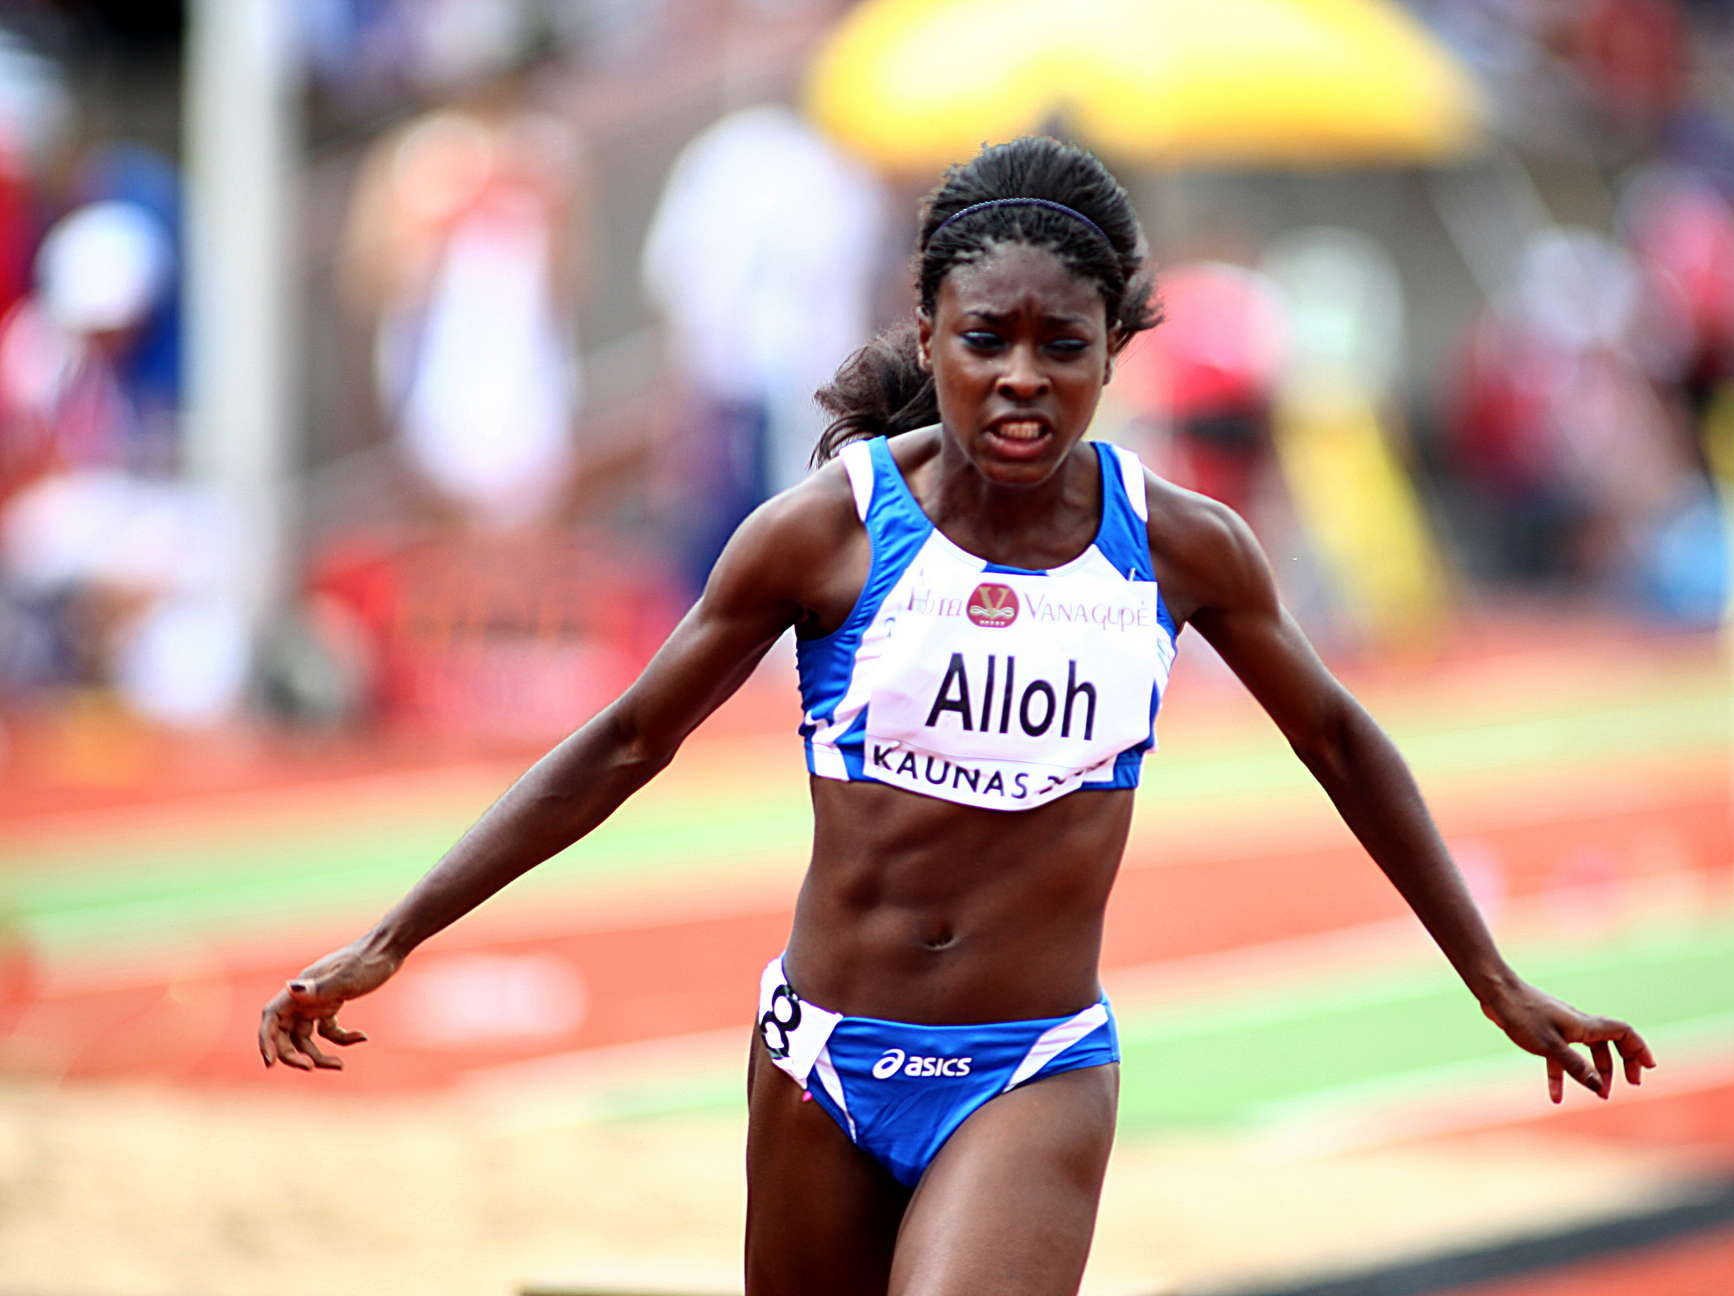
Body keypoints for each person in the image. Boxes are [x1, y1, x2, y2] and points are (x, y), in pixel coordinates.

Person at [259, 137, 1655, 1296]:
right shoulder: (823, 534)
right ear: (927, 332)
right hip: (820, 1060)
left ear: (1117, 353)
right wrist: (394, 935)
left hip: (1029, 1070)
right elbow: (627, 741)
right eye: (986, 339)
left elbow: (1341, 742)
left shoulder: (1180, 548)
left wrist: (1493, 980)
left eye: (1065, 344)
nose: (1022, 377)